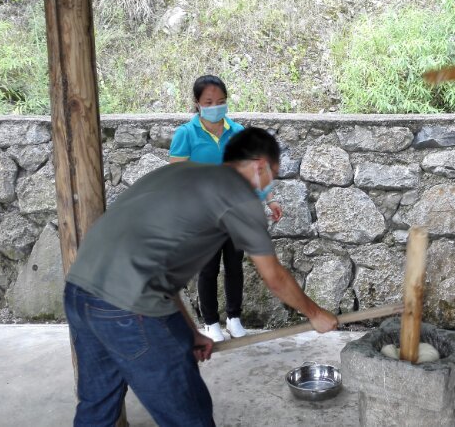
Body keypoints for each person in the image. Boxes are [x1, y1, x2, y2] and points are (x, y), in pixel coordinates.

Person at [64, 128, 338, 426]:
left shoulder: (179, 174)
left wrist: (190, 332)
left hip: (79, 292)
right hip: (131, 308)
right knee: (189, 417)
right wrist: (315, 314)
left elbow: (159, 269)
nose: (269, 183)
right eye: (273, 173)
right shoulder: (238, 195)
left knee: (98, 404)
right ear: (260, 165)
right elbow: (274, 277)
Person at [169, 75, 283, 342]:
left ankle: (234, 318)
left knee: (234, 266)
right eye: (209, 102)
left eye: (220, 101)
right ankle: (211, 323)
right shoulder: (186, 134)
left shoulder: (238, 132)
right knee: (208, 269)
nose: (215, 107)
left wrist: (270, 199)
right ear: (197, 103)